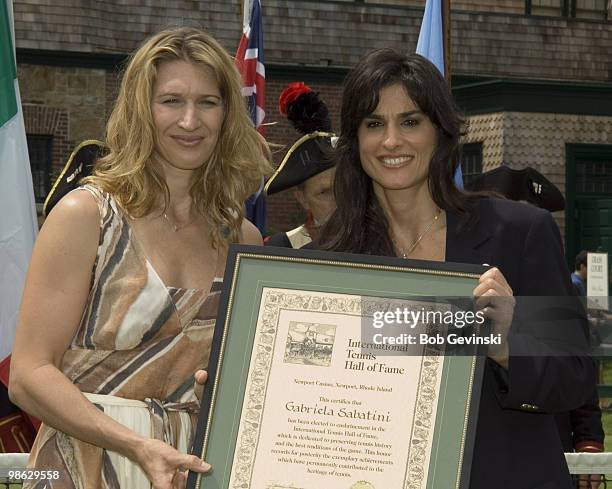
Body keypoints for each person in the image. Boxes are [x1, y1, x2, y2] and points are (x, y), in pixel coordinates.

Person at [318, 48, 593, 488]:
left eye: (410, 121)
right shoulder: (334, 258)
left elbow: (574, 380)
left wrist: (507, 343)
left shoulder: (518, 234)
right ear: (355, 141)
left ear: (440, 131)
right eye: (374, 124)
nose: (391, 141)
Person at [9, 27, 271, 489]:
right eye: (171, 101)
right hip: (86, 463)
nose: (190, 121)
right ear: (141, 110)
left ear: (227, 115)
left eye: (208, 102)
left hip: (193, 468)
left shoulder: (244, 241)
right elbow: (28, 375)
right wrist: (136, 444)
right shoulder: (87, 216)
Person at [264, 82, 336, 248]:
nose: (339, 201)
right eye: (324, 192)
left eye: (345, 188)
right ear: (303, 199)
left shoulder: (380, 245)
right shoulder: (282, 249)